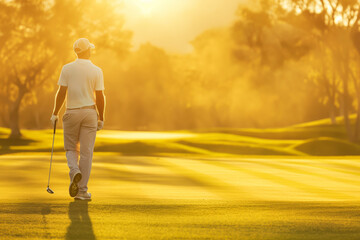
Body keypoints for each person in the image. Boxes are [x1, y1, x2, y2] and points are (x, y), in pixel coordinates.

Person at [50, 38, 106, 201]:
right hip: (90, 113)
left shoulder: (67, 68)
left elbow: (61, 92)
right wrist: (101, 118)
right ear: (88, 50)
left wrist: (55, 113)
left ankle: (75, 171)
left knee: (70, 149)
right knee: (86, 153)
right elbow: (100, 96)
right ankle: (82, 191)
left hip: (71, 113)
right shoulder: (97, 70)